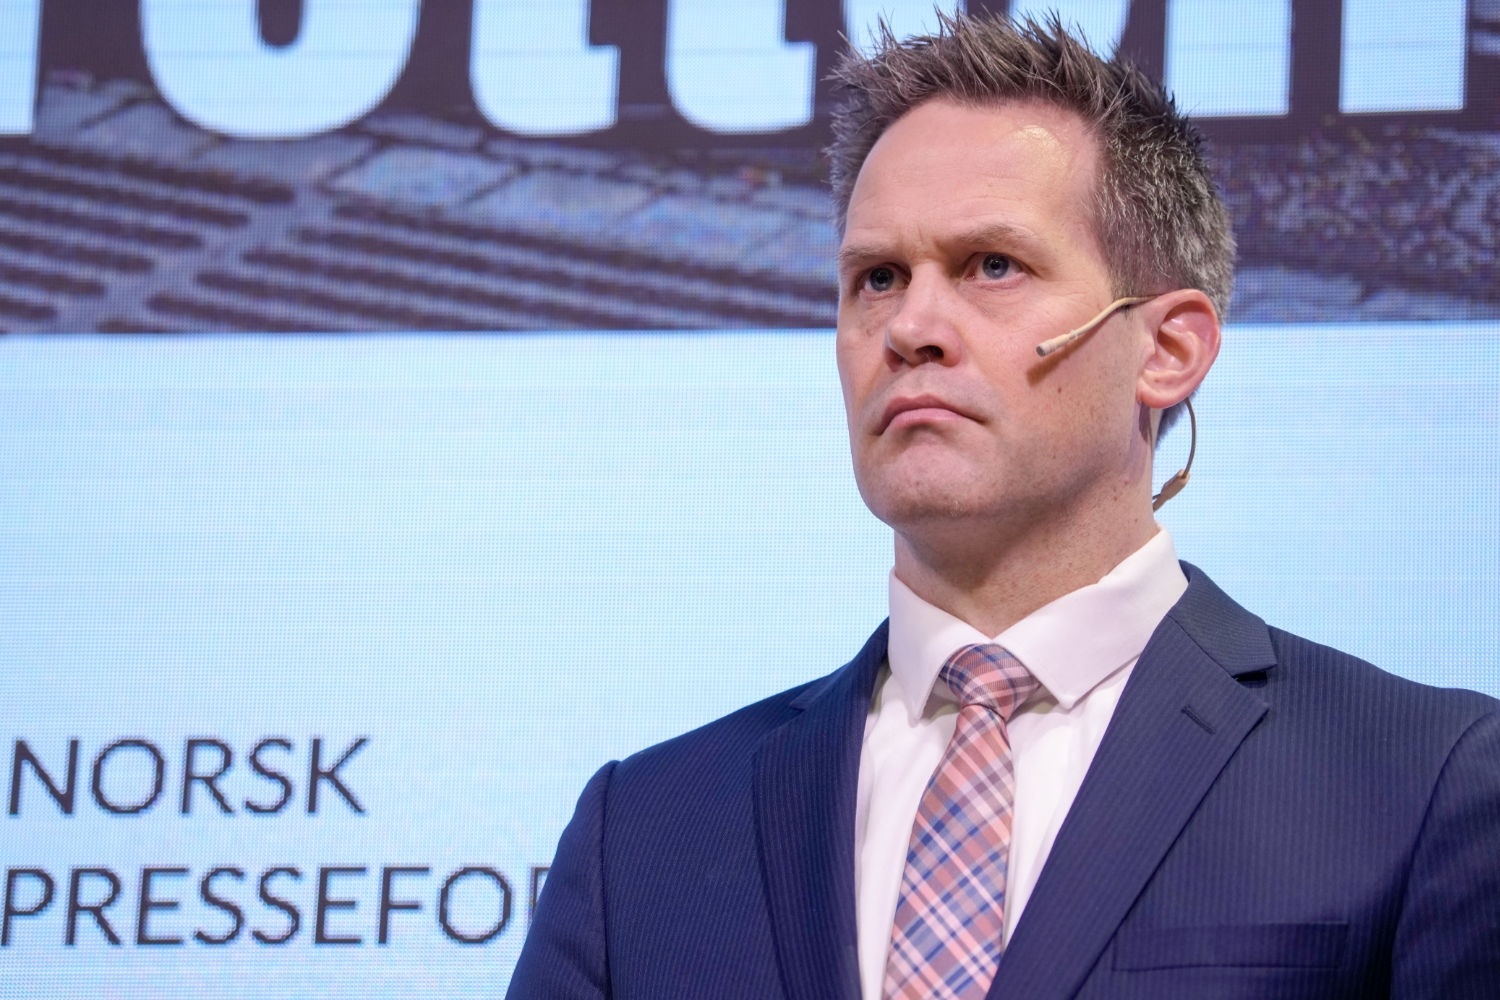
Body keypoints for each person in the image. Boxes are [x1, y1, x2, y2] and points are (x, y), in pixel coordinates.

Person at [507, 12, 1500, 999]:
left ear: (1168, 350)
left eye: (992, 266)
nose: (911, 328)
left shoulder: (1423, 785)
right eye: (877, 279)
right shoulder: (642, 834)